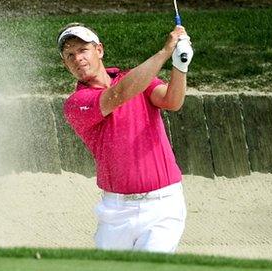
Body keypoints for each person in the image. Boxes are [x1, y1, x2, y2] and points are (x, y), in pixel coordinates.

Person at [58, 22, 193, 253]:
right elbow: (118, 95)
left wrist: (180, 65)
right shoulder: (76, 104)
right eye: (70, 55)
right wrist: (164, 52)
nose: (77, 58)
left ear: (99, 50)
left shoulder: (137, 79)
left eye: (83, 50)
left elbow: (172, 101)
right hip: (115, 213)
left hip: (163, 206)